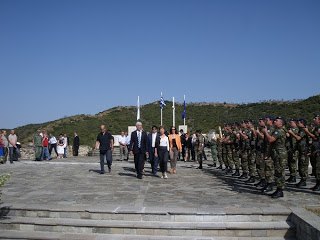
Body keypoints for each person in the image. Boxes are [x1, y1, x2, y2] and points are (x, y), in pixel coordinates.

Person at [262, 116, 288, 198]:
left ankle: (280, 190)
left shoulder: (280, 131)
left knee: (280, 172)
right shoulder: (277, 130)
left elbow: (270, 140)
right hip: (276, 153)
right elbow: (271, 144)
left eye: (276, 121)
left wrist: (266, 132)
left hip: (280, 154)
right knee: (277, 171)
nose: (275, 122)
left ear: (281, 123)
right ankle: (278, 189)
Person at [290, 119, 309, 188]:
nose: (297, 124)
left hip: (304, 151)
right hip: (301, 150)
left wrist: (292, 133)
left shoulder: (303, 130)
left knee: (303, 165)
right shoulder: (300, 130)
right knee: (300, 165)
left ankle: (304, 179)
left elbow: (298, 138)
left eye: (298, 123)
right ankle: (302, 179)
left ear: (302, 123)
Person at [304, 114, 320, 191]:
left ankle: (319, 184)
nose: (314, 119)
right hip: (315, 150)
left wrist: (307, 132)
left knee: (318, 168)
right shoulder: (316, 128)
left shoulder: (318, 128)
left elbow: (315, 137)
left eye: (315, 118)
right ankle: (317, 183)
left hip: (318, 150)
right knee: (316, 167)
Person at [286, 119, 299, 183]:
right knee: (290, 163)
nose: (290, 123)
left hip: (294, 148)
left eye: (291, 122)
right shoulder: (291, 129)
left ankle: (293, 176)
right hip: (290, 148)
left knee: (293, 162)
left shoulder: (295, 129)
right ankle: (291, 175)